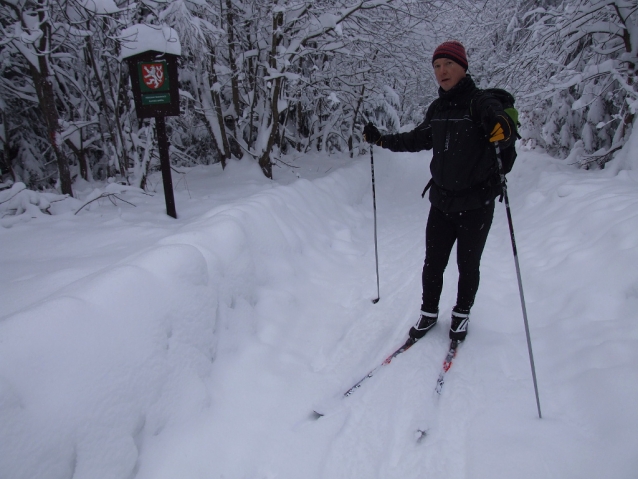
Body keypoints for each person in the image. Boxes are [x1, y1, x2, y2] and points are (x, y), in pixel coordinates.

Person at [363, 40, 516, 342]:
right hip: (442, 202)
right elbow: (417, 138)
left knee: (467, 264)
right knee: (433, 262)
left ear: (463, 67)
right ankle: (429, 313)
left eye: (448, 65)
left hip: (476, 204)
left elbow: (499, 120)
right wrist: (382, 140)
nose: (442, 71)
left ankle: (461, 315)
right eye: (436, 66)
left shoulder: (480, 101)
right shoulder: (438, 108)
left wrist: (503, 126)